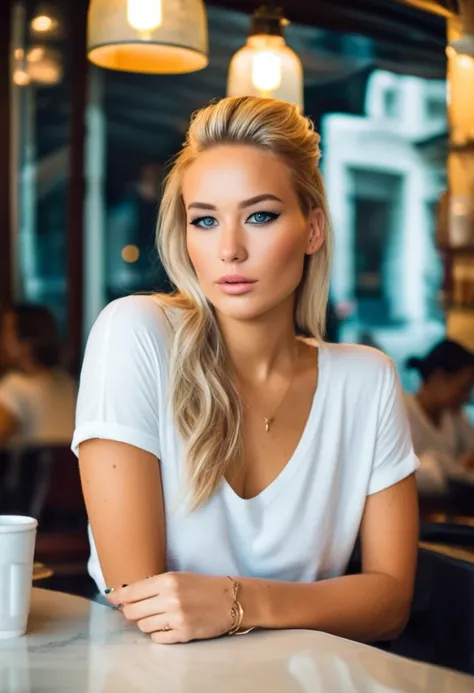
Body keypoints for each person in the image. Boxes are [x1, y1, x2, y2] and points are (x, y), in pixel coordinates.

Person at [73, 96, 419, 645]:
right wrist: (318, 602)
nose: (229, 249)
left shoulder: (367, 381)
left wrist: (240, 600)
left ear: (312, 230)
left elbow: (389, 602)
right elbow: (141, 600)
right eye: (205, 220)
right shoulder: (135, 333)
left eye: (260, 216)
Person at [0, 304, 77, 447]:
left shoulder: (14, 387)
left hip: (37, 468)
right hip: (71, 467)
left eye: (6, 331)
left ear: (25, 342)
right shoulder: (67, 382)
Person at [405, 339, 474, 494]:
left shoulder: (455, 417)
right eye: (464, 388)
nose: (467, 397)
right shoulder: (400, 411)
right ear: (439, 376)